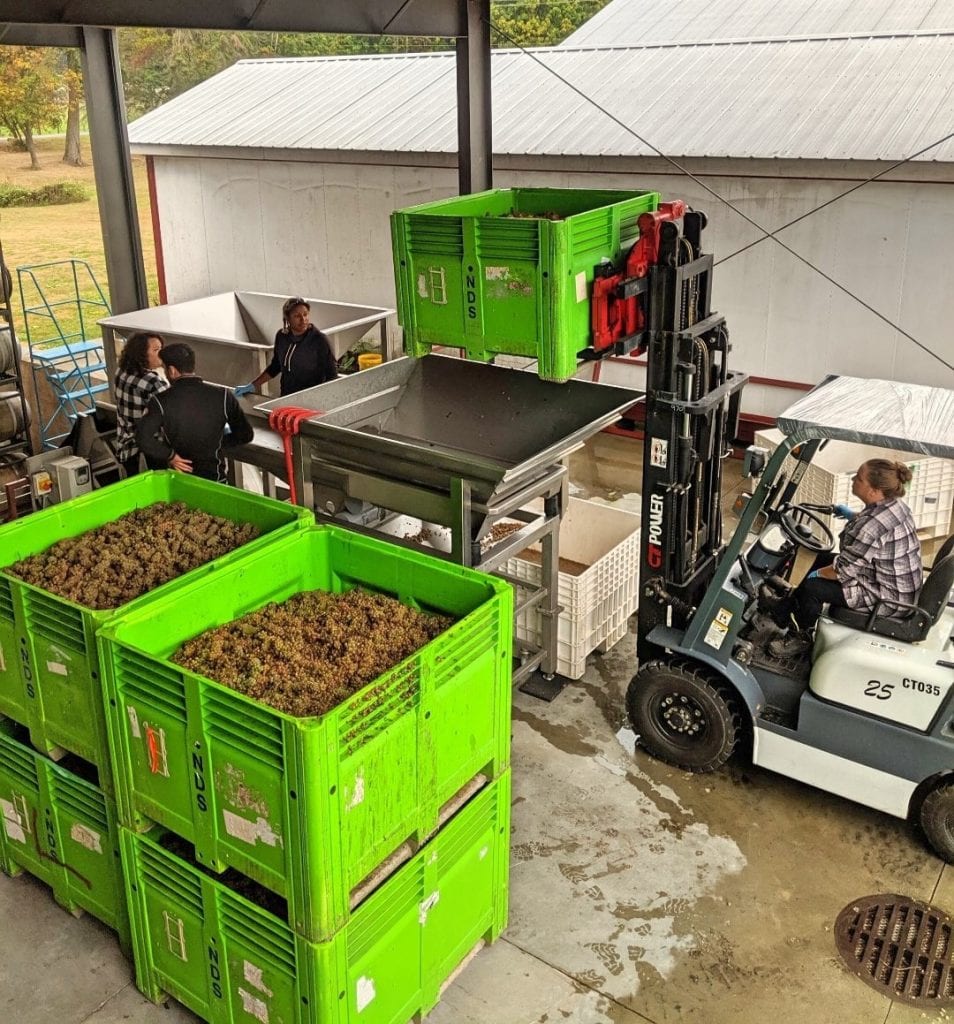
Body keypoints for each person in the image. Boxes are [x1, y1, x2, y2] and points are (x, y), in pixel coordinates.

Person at [769, 459, 923, 657]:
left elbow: (840, 571)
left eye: (859, 478)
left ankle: (801, 638)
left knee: (812, 587)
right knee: (824, 557)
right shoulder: (896, 506)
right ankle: (785, 609)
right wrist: (852, 515)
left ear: (874, 491)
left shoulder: (871, 528)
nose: (853, 479)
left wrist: (812, 577)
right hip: (895, 585)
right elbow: (876, 525)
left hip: (887, 599)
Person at [136, 343, 254, 483]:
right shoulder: (222, 395)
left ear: (172, 371)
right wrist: (217, 443)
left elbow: (143, 438)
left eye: (165, 369)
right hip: (216, 480)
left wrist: (171, 456)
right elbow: (246, 434)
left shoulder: (160, 402)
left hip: (181, 481)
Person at [234, 296, 338, 398]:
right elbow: (276, 366)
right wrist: (252, 385)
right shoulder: (282, 337)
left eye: (305, 315)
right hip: (286, 396)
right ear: (287, 318)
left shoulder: (319, 340)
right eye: (297, 316)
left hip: (311, 399)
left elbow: (332, 374)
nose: (303, 320)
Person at [114, 331, 169, 478]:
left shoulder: (121, 371)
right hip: (151, 450)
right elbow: (171, 412)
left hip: (127, 447)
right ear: (141, 354)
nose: (161, 354)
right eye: (156, 350)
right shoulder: (153, 382)